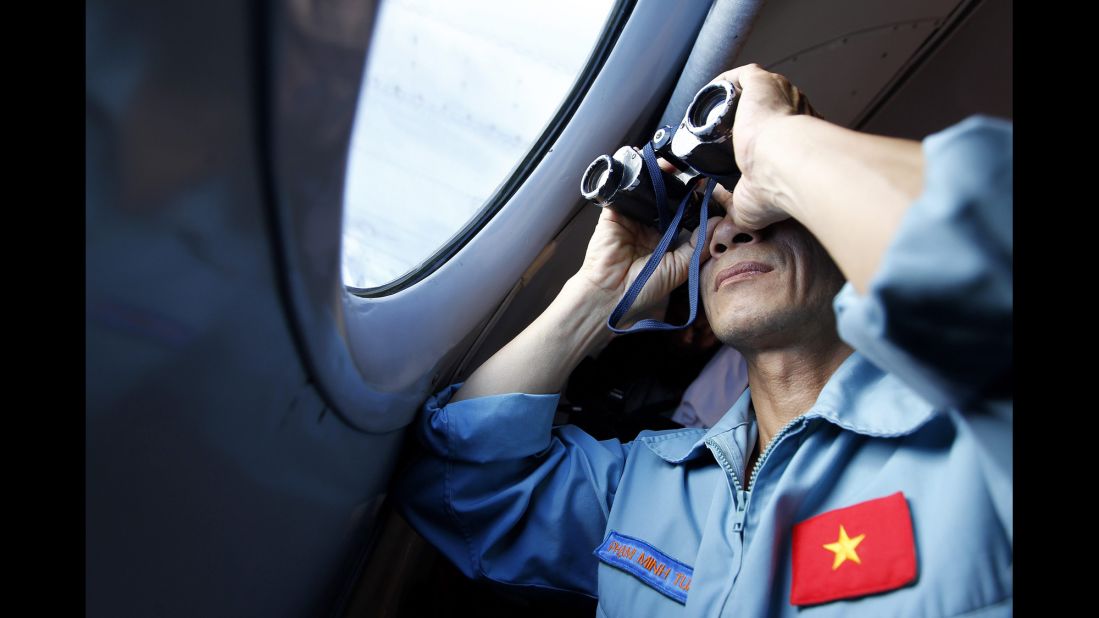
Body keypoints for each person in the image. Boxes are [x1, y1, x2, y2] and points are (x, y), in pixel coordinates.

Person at [395, 64, 1012, 616]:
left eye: (766, 211)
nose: (726, 233)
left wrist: (777, 144)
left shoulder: (968, 436)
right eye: (706, 223)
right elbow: (465, 483)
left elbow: (988, 260)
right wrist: (599, 293)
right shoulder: (652, 484)